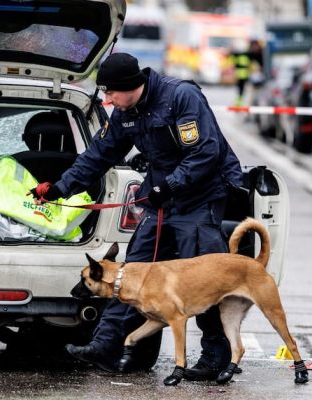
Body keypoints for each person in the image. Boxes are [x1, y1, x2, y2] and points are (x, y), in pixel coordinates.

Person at [30, 53, 243, 380]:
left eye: (111, 93)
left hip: (198, 199)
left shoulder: (180, 97)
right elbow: (99, 155)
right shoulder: (126, 111)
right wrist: (60, 189)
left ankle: (215, 356)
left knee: (202, 280)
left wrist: (170, 185)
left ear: (131, 86)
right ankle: (105, 345)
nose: (107, 99)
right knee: (127, 275)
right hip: (161, 202)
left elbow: (206, 151)